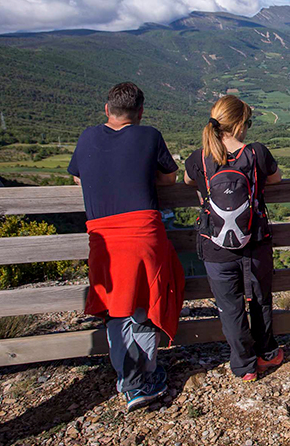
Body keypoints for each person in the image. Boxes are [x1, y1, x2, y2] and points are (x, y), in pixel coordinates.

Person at [68, 82, 185, 412]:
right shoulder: (149, 136)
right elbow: (169, 179)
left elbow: (77, 177)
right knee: (146, 303)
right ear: (140, 112)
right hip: (143, 234)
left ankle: (130, 381)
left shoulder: (87, 137)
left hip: (103, 238)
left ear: (107, 109)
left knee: (115, 308)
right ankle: (143, 378)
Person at [184, 95, 284, 381]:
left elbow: (188, 180)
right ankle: (266, 353)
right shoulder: (256, 153)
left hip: (215, 246)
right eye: (248, 122)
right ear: (240, 125)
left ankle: (244, 366)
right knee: (261, 300)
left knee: (229, 307)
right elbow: (276, 178)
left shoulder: (200, 157)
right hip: (255, 241)